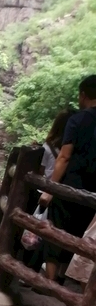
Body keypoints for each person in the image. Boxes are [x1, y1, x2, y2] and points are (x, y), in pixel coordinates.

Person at [40, 74, 96, 292]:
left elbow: (63, 157)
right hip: (94, 193)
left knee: (56, 231)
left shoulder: (78, 120)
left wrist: (49, 189)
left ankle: (51, 284)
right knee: (81, 235)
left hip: (71, 185)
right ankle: (67, 280)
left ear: (83, 95)